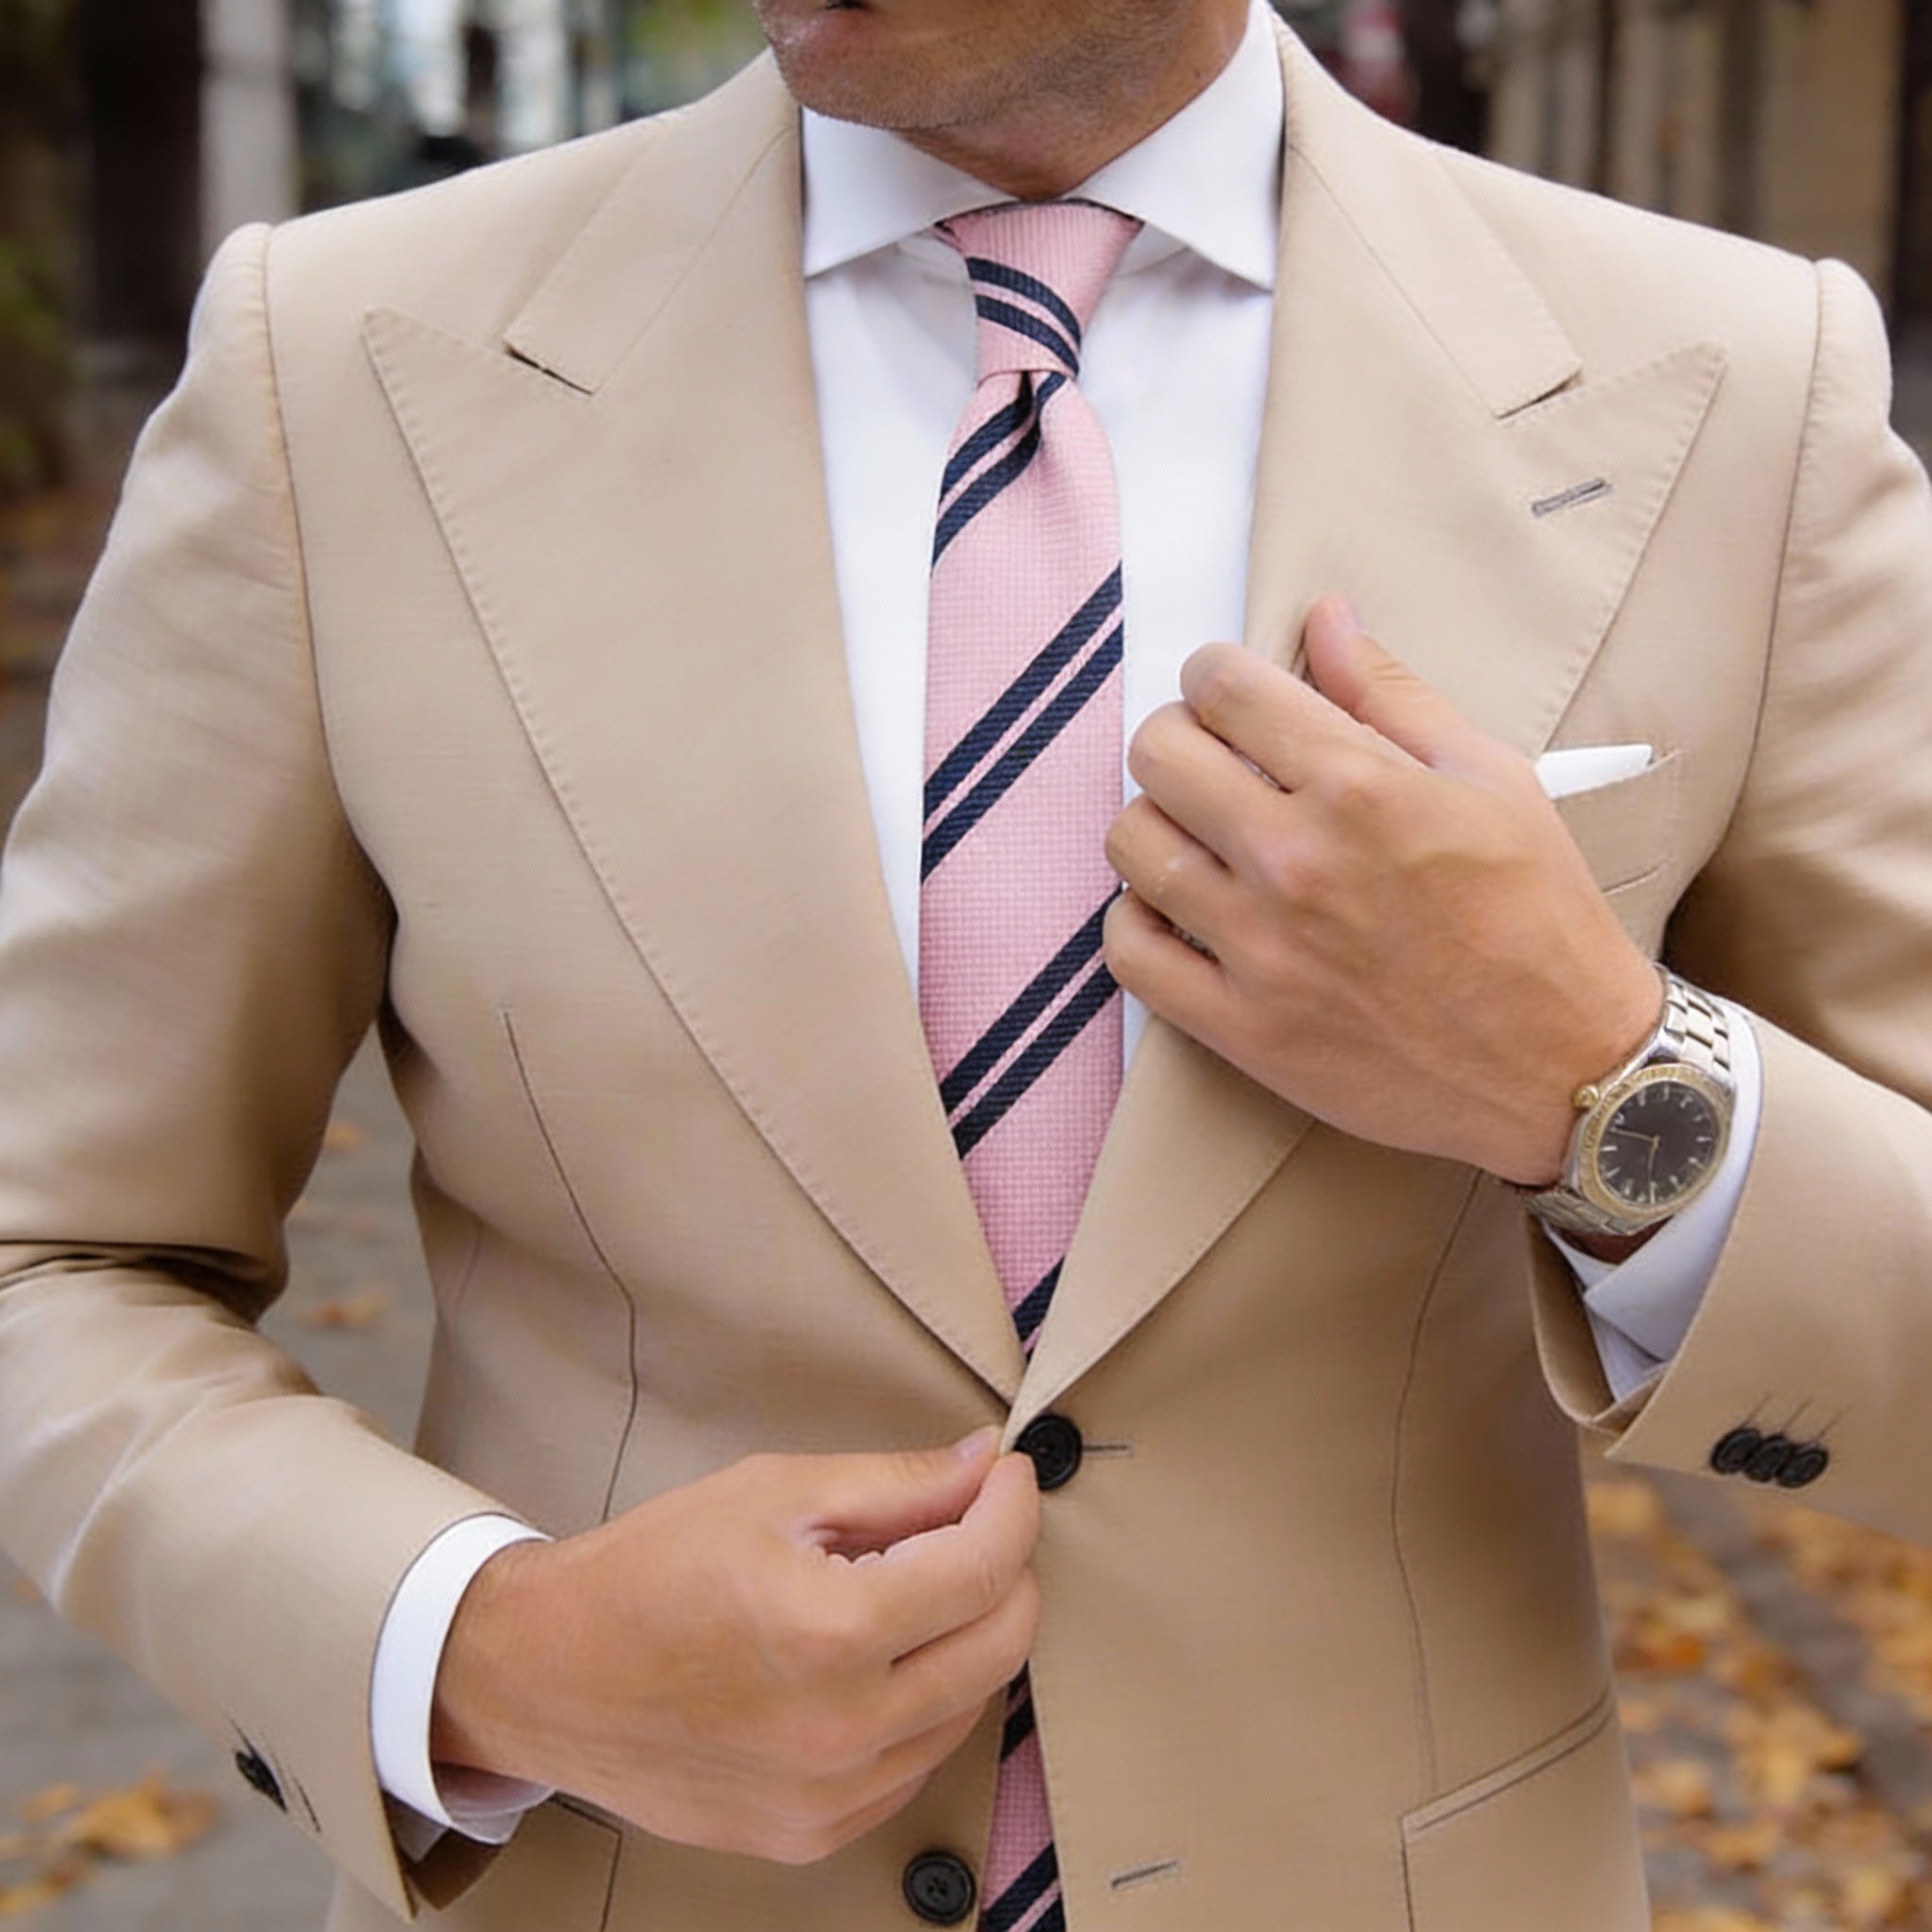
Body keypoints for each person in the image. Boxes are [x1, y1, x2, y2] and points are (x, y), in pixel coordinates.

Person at [0, 0, 1927, 1926]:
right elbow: (54, 1246)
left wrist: (1599, 1081)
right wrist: (479, 1648)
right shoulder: (331, 369)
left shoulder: (1737, 391)